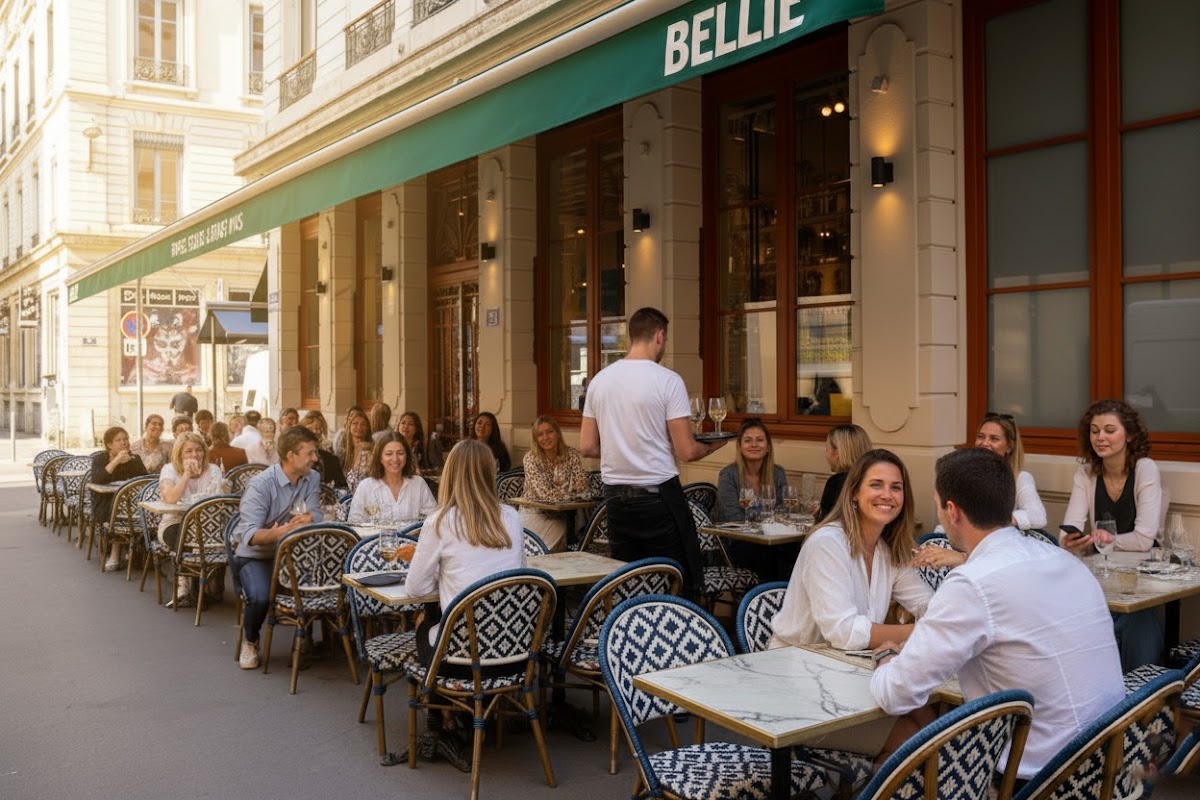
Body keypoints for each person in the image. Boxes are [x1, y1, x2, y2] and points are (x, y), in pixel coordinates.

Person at [870, 447, 1124, 785]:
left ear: (952, 511)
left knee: (888, 763)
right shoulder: (1062, 559)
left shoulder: (972, 583)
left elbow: (896, 693)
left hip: (1038, 777)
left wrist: (886, 655)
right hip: (1110, 763)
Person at [769, 448, 931, 764]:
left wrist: (941, 615)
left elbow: (927, 603)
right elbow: (843, 632)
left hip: (847, 674)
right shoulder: (827, 543)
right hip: (797, 686)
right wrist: (917, 632)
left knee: (933, 723)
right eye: (876, 485)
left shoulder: (888, 548)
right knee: (914, 740)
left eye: (895, 487)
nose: (887, 495)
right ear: (854, 493)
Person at [580, 307, 729, 595]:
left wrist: (623, 446)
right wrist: (716, 444)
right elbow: (686, 451)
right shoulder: (667, 380)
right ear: (660, 336)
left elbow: (588, 446)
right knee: (677, 579)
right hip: (658, 497)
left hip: (616, 500)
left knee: (630, 583)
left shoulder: (599, 381)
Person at [406, 439, 526, 745]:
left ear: (450, 474)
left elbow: (415, 587)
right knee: (443, 614)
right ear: (491, 473)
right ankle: (470, 709)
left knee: (425, 618)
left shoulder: (440, 521)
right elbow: (519, 578)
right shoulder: (512, 518)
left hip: (459, 661)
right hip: (514, 655)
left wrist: (445, 575)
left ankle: (444, 708)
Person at [1061, 399, 1164, 671]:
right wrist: (1072, 541)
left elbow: (1144, 539)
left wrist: (1106, 540)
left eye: (1109, 430)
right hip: (1100, 574)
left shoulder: (1145, 469)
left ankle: (1141, 691)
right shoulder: (1085, 473)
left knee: (1135, 619)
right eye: (1094, 431)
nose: (1100, 438)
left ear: (1129, 435)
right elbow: (1068, 529)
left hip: (1142, 576)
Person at [231, 426, 324, 670]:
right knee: (261, 597)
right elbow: (249, 534)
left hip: (295, 555)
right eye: (310, 453)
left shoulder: (312, 477)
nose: (315, 458)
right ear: (291, 456)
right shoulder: (261, 485)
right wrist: (277, 533)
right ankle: (250, 640)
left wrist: (311, 518)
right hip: (258, 555)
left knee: (321, 586)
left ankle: (304, 637)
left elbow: (317, 512)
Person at [911, 412, 1049, 573]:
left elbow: (1038, 516)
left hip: (1000, 551)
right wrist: (936, 541)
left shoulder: (1020, 478)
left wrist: (995, 522)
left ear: (1009, 446)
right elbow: (952, 518)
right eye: (981, 437)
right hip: (962, 544)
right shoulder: (968, 474)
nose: (985, 443)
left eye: (994, 439)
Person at [716, 418, 791, 580]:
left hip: (772, 538)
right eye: (748, 440)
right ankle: (762, 600)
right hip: (738, 541)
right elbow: (734, 518)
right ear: (740, 447)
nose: (754, 445)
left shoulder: (777, 473)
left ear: (768, 447)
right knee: (768, 555)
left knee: (795, 548)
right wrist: (768, 522)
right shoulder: (728, 475)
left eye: (760, 440)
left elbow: (782, 510)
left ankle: (785, 599)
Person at [157, 432, 224, 606]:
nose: (195, 455)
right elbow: (170, 498)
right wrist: (186, 475)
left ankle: (203, 586)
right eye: (189, 451)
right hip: (176, 522)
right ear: (180, 454)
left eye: (199, 450)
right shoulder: (169, 470)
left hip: (207, 525)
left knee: (223, 537)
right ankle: (185, 585)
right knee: (184, 538)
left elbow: (216, 500)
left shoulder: (214, 470)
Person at [520, 415, 588, 551]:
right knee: (540, 550)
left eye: (549, 431)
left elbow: (582, 488)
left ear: (557, 433)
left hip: (565, 514)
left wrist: (568, 495)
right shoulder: (531, 458)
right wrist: (570, 493)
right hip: (535, 512)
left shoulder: (572, 454)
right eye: (540, 434)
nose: (546, 437)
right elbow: (544, 494)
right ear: (536, 439)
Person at [91, 426, 149, 572]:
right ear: (110, 445)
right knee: (116, 508)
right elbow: (98, 479)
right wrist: (116, 461)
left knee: (137, 509)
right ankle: (116, 551)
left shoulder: (135, 459)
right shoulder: (100, 459)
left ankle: (133, 548)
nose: (124, 443)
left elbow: (144, 480)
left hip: (130, 502)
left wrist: (131, 464)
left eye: (126, 439)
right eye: (119, 440)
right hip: (105, 501)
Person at [348, 433, 437, 524]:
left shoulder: (418, 483)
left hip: (412, 538)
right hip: (374, 538)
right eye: (388, 454)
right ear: (380, 458)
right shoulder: (366, 486)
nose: (395, 459)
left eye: (400, 453)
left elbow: (433, 520)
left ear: (407, 456)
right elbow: (355, 523)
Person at [818, 423, 873, 522]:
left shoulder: (837, 482)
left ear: (837, 452)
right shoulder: (874, 479)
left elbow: (827, 525)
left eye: (827, 449)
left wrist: (820, 515)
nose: (826, 454)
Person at [300, 410, 347, 488]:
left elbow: (341, 486)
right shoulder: (293, 458)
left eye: (318, 428)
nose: (315, 431)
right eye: (310, 428)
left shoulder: (331, 459)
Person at [341, 408, 374, 493]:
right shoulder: (343, 449)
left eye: (363, 424)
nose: (359, 427)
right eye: (355, 423)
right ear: (349, 426)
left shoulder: (370, 450)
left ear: (367, 427)